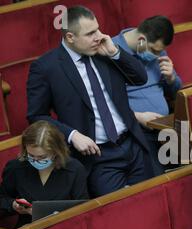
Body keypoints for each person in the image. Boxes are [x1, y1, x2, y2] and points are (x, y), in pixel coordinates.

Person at [27, 6, 163, 198]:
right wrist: (72, 135)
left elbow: (140, 78)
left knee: (152, 201)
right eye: (90, 33)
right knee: (118, 212)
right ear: (70, 37)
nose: (99, 36)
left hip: (132, 145)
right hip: (97, 157)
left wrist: (115, 52)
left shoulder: (105, 52)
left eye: (98, 29)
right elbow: (36, 116)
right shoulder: (46, 68)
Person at [112, 15, 182, 170]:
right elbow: (106, 101)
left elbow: (175, 90)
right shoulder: (112, 52)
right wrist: (137, 117)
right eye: (155, 51)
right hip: (136, 128)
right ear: (141, 39)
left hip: (164, 125)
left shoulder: (156, 49)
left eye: (161, 51)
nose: (157, 56)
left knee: (190, 166)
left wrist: (172, 78)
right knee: (158, 177)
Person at [0, 121, 88, 229]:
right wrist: (12, 205)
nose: (36, 160)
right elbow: (2, 199)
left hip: (65, 228)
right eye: (31, 155)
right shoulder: (16, 168)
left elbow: (84, 209)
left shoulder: (75, 169)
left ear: (56, 152)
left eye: (42, 157)